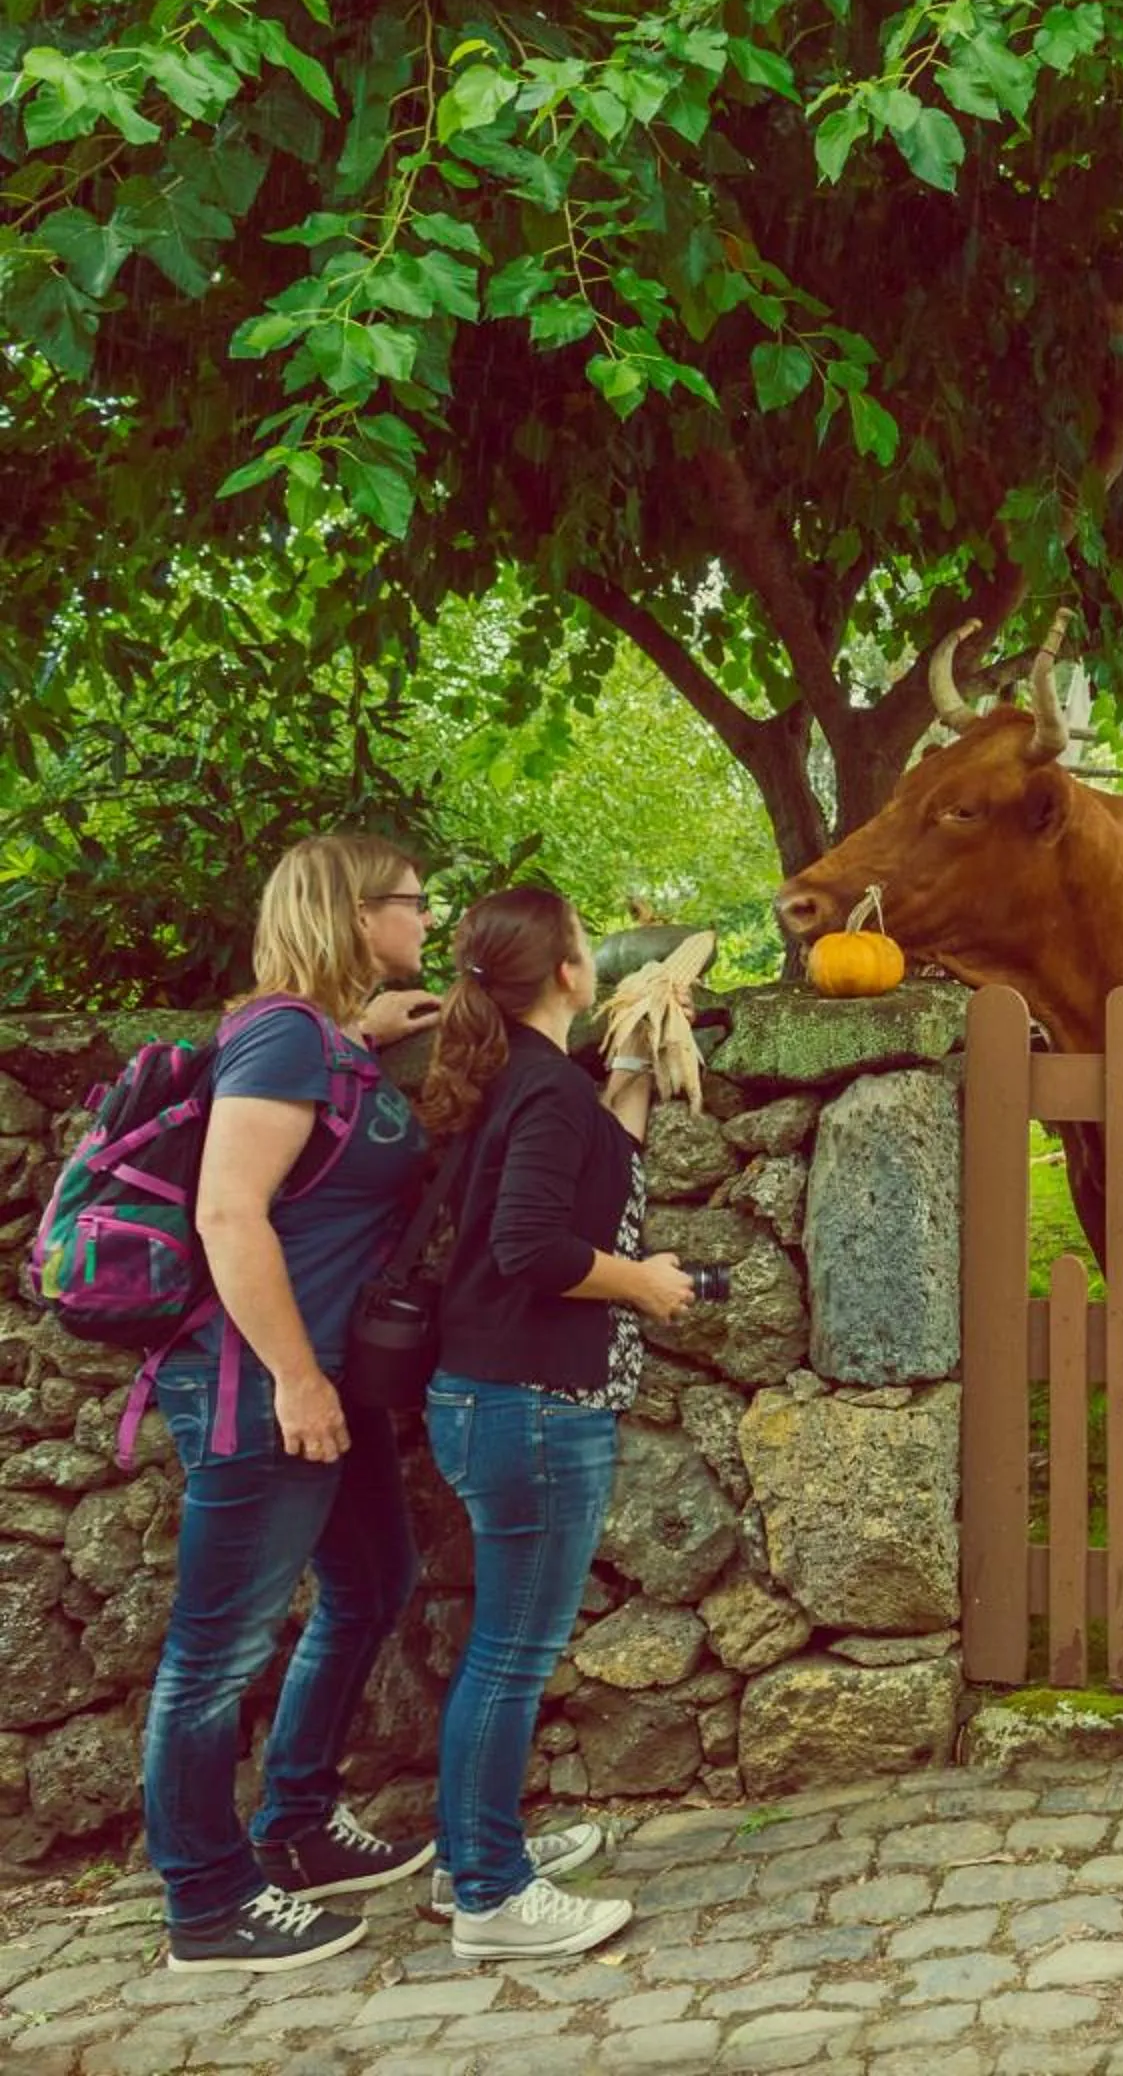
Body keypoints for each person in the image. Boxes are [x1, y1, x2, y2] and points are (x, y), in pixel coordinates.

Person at [150, 834, 445, 1973]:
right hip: (260, 1384)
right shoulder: (279, 1034)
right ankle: (208, 1900)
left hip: (319, 1381)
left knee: (375, 1584)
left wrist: (363, 1041)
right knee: (215, 1652)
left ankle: (300, 1827)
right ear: (356, 912)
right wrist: (296, 1377)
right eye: (413, 902)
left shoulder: (320, 1040)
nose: (428, 920)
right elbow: (230, 1212)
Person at [415, 887, 695, 1961]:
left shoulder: (527, 1083)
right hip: (529, 1406)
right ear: (571, 972)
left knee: (504, 1646)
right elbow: (534, 1243)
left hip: (505, 1400)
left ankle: (465, 1856)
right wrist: (642, 1282)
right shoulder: (537, 1093)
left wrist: (631, 1061)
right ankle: (489, 1893)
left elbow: (589, 1174)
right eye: (586, 947)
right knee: (511, 1653)